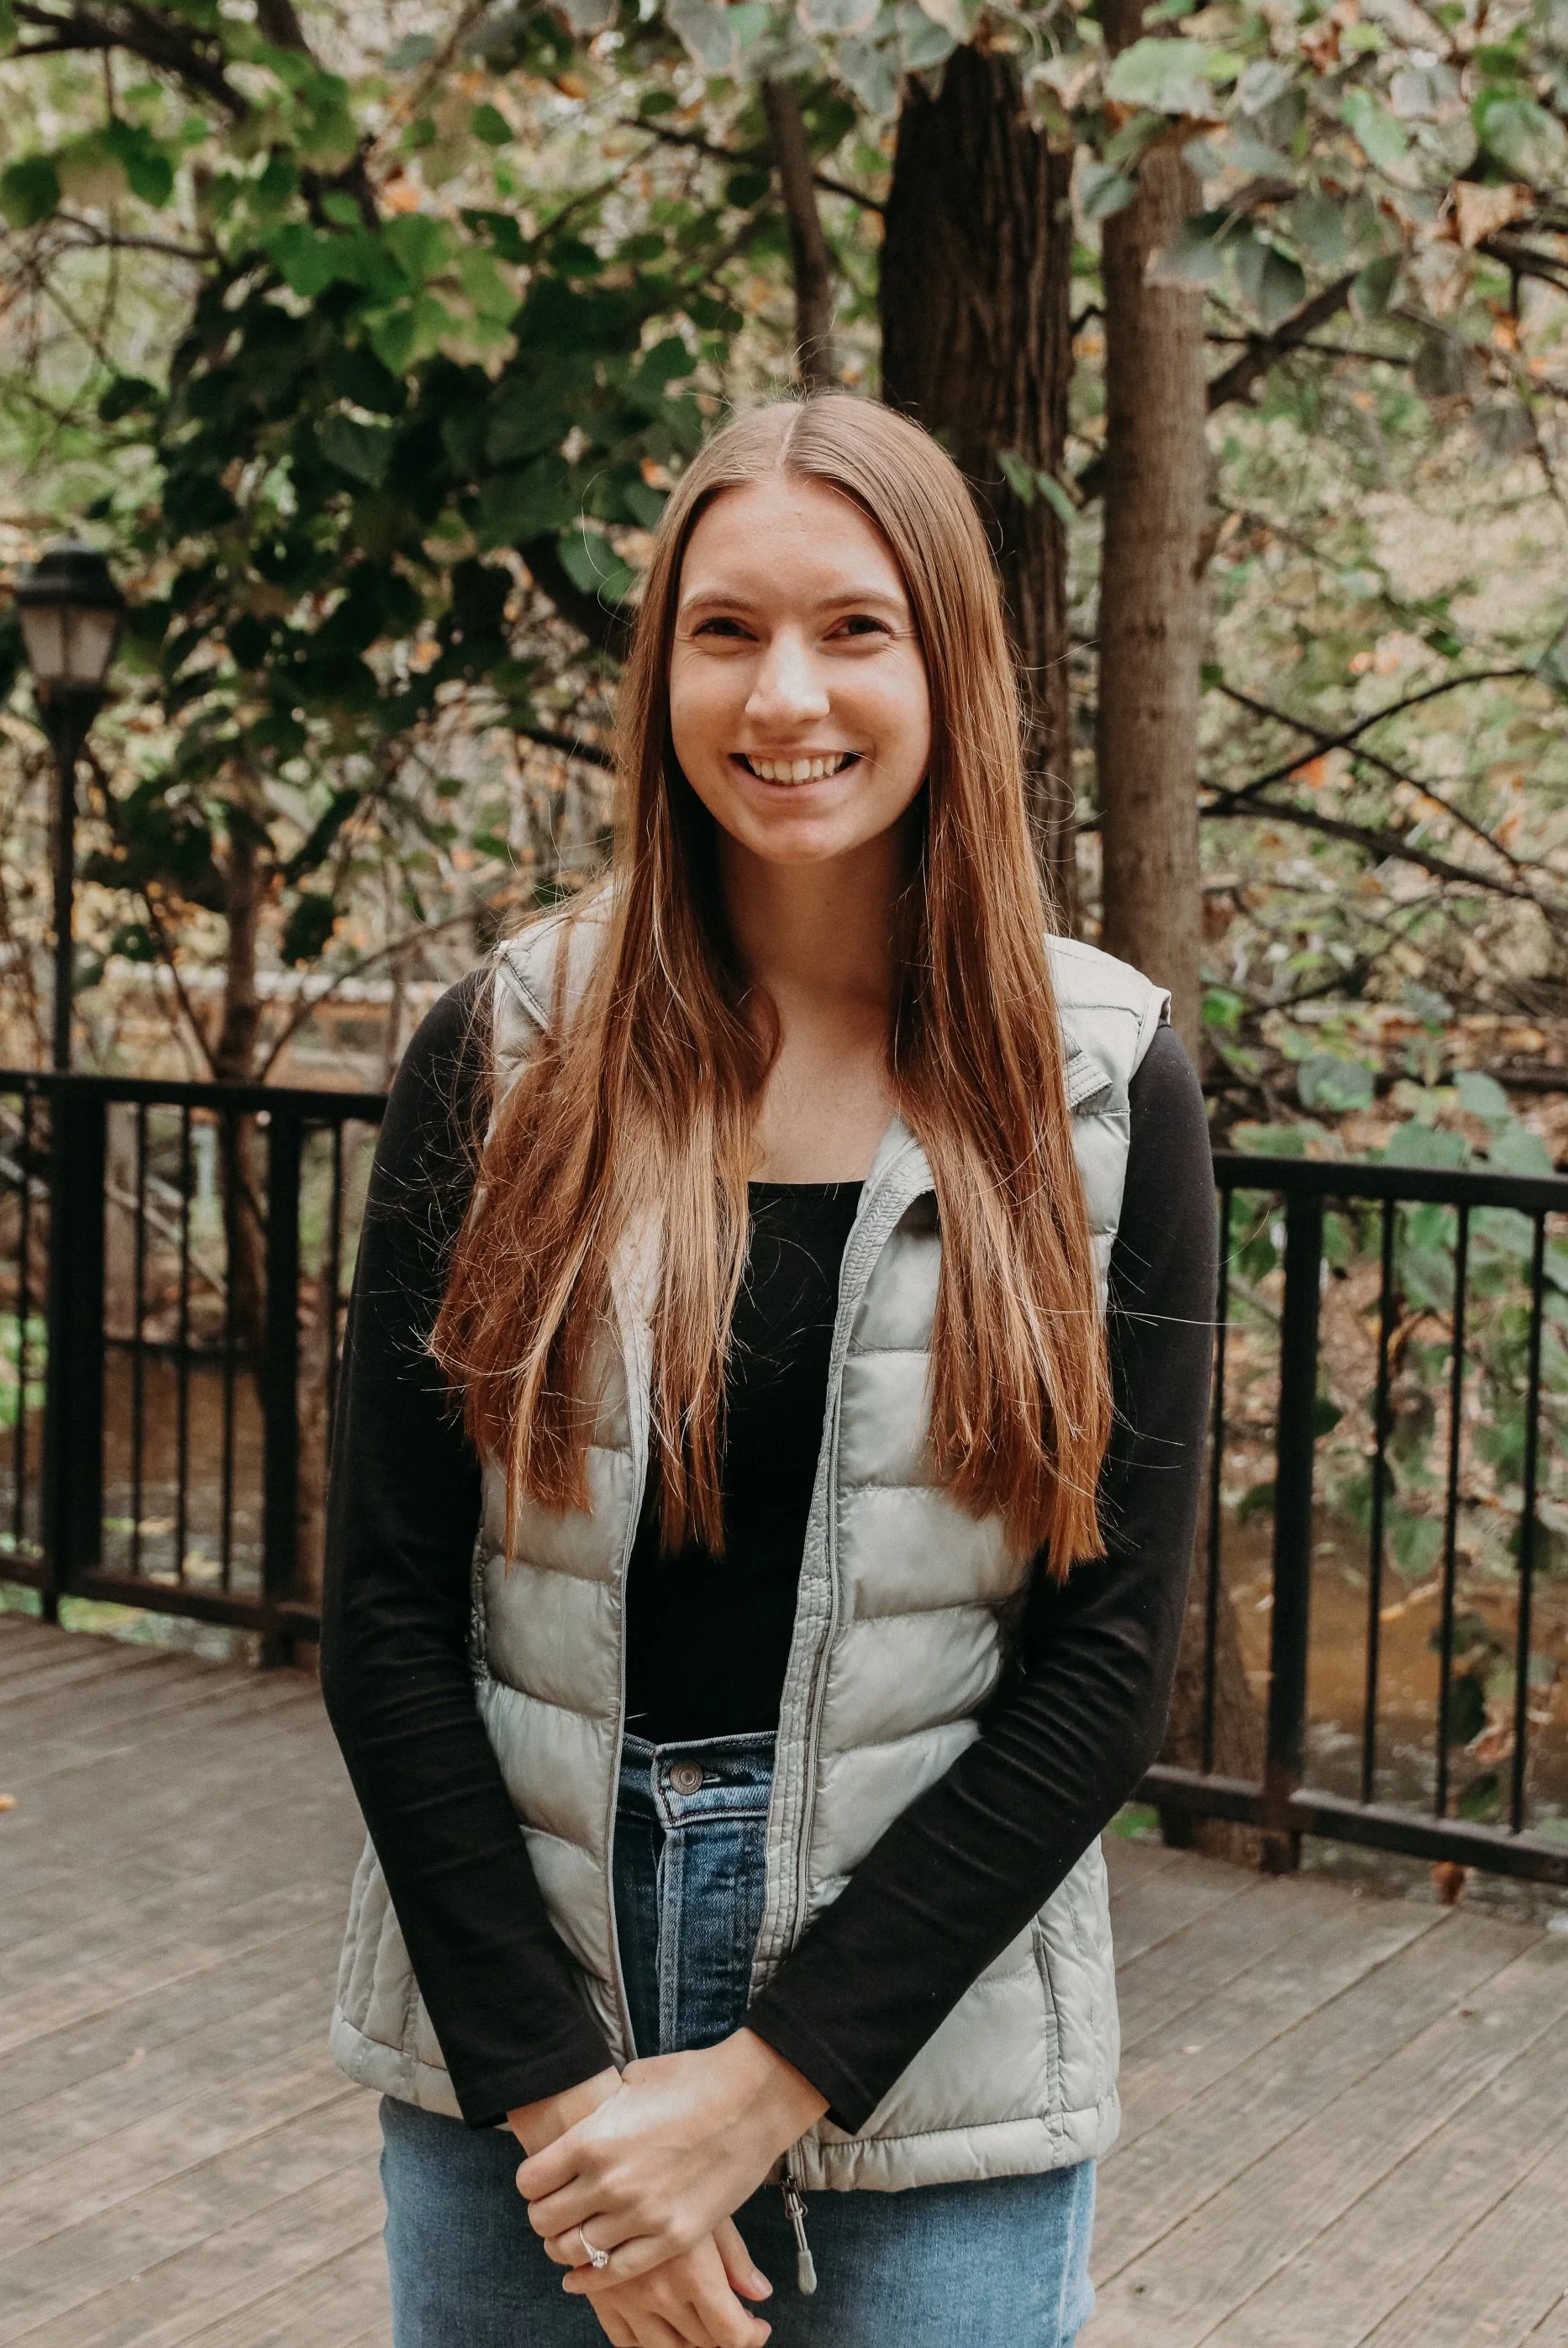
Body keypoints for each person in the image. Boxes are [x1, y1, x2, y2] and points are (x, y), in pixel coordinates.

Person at [320, 394, 1215, 2348]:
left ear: (947, 662)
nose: (782, 691)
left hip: (926, 2052)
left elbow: (1105, 1663)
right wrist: (570, 2118)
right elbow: (390, 1611)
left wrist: (766, 2081)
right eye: (723, 629)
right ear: (659, 670)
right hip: (521, 2019)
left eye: (853, 626)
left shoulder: (1100, 1076)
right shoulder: (505, 1048)